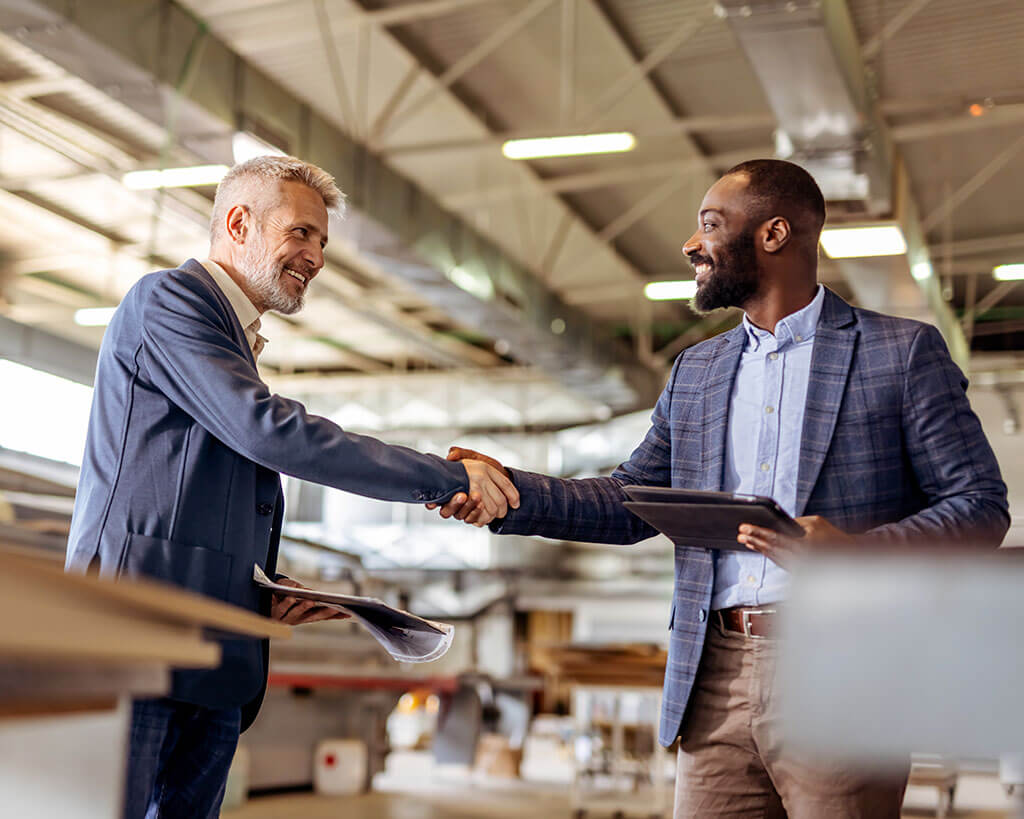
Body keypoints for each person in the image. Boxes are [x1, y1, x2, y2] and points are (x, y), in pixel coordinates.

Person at [432, 159, 1009, 817]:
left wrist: (857, 552)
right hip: (714, 672)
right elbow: (630, 501)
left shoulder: (899, 353)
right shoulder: (697, 370)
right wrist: (508, 491)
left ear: (773, 234)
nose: (690, 244)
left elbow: (980, 506)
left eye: (709, 224)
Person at [65, 155, 518, 819]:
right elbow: (269, 433)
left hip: (213, 654)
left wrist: (257, 592)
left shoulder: (233, 343)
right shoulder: (167, 301)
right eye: (301, 232)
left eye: (323, 242)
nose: (317, 257)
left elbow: (193, 502)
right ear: (238, 224)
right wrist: (444, 476)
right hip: (135, 641)